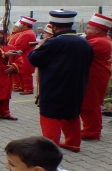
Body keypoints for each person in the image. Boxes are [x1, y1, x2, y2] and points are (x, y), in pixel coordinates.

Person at [28, 10, 93, 152]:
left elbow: (34, 59)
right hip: (76, 84)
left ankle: (50, 148)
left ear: (53, 26)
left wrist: (38, 46)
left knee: (50, 115)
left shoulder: (53, 43)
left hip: (54, 85)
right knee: (71, 114)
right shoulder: (84, 43)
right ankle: (73, 143)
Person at [79, 13, 112, 141]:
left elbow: (79, 54)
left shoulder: (98, 41)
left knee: (90, 105)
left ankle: (92, 132)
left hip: (94, 76)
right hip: (96, 75)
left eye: (88, 27)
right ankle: (91, 129)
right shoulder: (102, 39)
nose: (86, 29)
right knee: (90, 104)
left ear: (97, 30)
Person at [0, 22, 19, 121]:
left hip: (6, 76)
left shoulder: (11, 47)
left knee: (5, 95)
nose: (0, 36)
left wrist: (14, 66)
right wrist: (4, 54)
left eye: (2, 34)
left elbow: (19, 58)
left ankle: (4, 112)